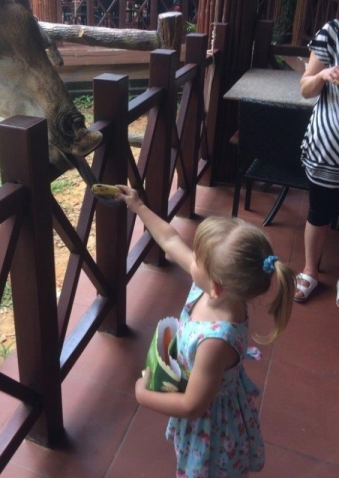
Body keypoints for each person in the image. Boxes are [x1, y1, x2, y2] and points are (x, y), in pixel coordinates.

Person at [115, 185, 295, 478]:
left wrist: (141, 395)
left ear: (216, 286)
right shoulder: (217, 289)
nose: (191, 259)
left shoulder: (215, 341)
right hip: (209, 398)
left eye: (197, 258)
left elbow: (191, 405)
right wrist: (138, 206)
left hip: (211, 429)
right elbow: (171, 239)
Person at [295, 19, 339, 303]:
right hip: (328, 147)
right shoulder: (332, 32)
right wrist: (323, 76)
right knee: (319, 212)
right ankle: (311, 271)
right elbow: (305, 88)